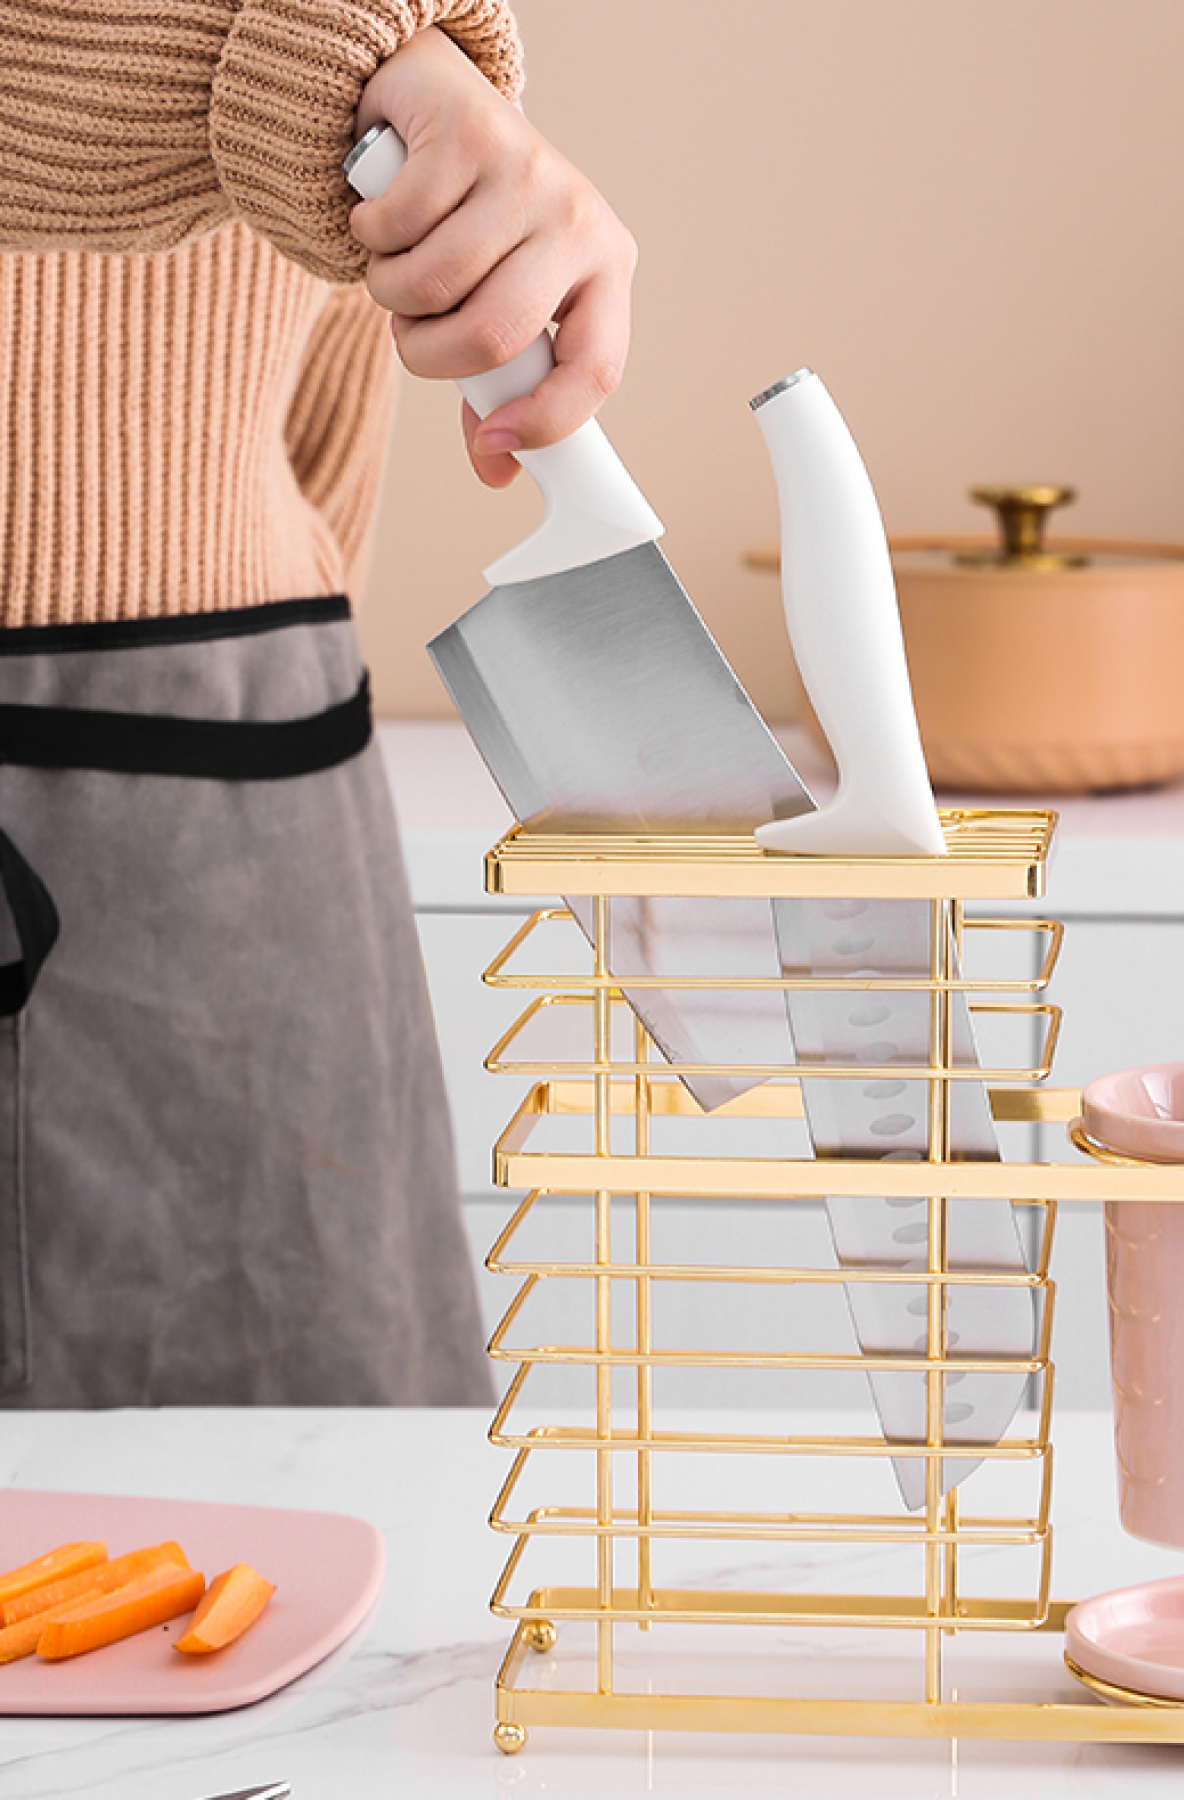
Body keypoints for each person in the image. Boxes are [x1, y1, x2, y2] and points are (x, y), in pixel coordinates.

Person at [0, 3, 636, 1406]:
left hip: (229, 764)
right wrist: (318, 84)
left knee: (313, 1559)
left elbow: (334, 356)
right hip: (224, 716)